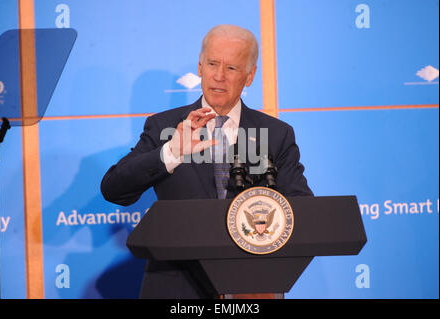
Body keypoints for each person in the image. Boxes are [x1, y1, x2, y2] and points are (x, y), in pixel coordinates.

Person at [101, 24, 313, 299]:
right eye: (212, 64)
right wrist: (171, 152)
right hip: (178, 287)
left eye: (232, 68)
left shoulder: (276, 134)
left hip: (252, 286)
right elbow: (114, 189)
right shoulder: (165, 126)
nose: (219, 76)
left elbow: (302, 208)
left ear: (250, 76)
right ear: (200, 66)